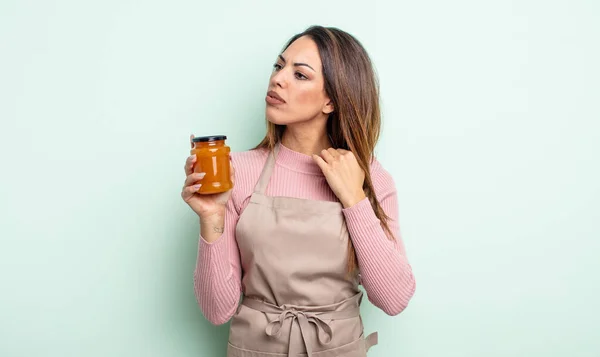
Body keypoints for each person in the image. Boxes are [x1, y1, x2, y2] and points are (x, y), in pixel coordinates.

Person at [181, 25, 416, 357]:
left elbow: (393, 298)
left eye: (300, 75)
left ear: (332, 100)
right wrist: (211, 217)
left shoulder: (370, 177)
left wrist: (354, 198)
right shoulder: (238, 171)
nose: (278, 79)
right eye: (279, 67)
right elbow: (217, 310)